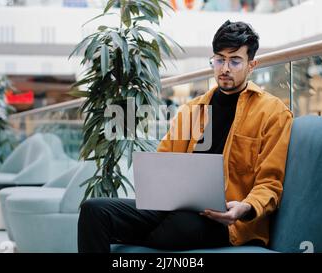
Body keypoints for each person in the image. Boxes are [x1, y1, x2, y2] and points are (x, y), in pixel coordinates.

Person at [78, 21, 293, 253]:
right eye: (219, 59)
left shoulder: (273, 112)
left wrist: (245, 207)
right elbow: (164, 161)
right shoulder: (193, 109)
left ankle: (132, 234)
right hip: (175, 210)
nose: (225, 68)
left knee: (180, 226)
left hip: (230, 221)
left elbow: (270, 183)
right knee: (94, 211)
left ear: (252, 65)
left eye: (235, 61)